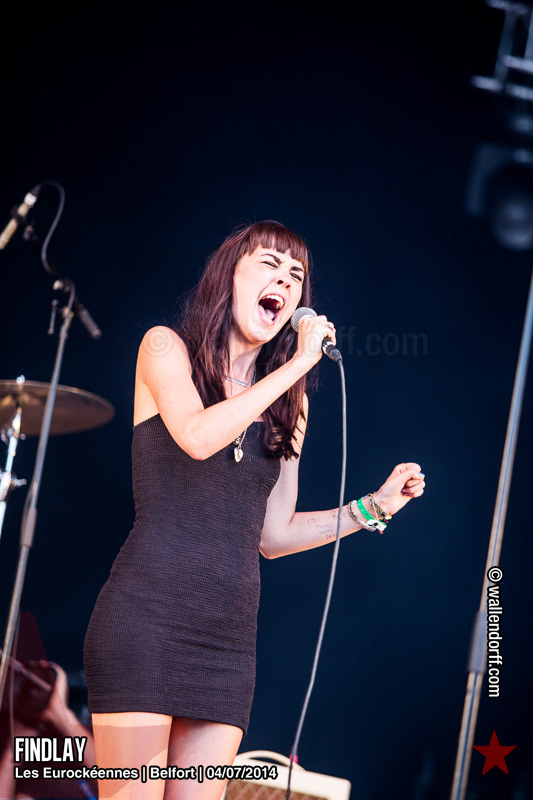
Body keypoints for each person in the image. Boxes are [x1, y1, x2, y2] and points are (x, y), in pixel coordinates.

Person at [83, 220, 425, 800]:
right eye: (269, 264)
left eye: (296, 275)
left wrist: (371, 508)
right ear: (229, 276)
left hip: (227, 641)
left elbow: (273, 534)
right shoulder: (165, 347)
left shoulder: (290, 402)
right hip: (145, 619)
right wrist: (297, 366)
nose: (285, 281)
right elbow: (197, 435)